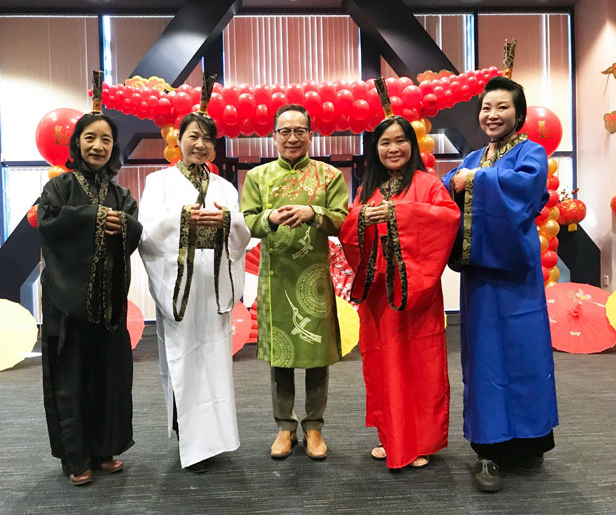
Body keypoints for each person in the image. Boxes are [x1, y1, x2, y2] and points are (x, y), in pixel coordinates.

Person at [442, 76, 558, 493]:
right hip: (481, 277)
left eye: (502, 107)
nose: (492, 114)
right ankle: (487, 450)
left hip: (518, 274)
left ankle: (531, 441)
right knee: (486, 360)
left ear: (519, 114)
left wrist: (474, 181)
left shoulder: (532, 152)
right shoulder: (473, 156)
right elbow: (446, 192)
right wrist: (458, 181)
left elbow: (526, 190)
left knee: (527, 356)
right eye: (486, 107)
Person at [339, 117, 460, 470]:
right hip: (379, 292)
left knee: (419, 365)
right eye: (384, 143)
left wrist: (398, 213)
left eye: (400, 141)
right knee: (382, 365)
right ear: (374, 150)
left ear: (412, 144)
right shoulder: (368, 189)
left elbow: (446, 220)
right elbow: (350, 226)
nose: (393, 149)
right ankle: (390, 436)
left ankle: (420, 440)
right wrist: (362, 218)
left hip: (416, 293)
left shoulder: (428, 183)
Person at [139, 112, 250, 473]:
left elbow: (243, 233)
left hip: (212, 285)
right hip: (180, 289)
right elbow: (148, 233)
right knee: (182, 360)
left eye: (207, 139)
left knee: (215, 361)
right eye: (193, 136)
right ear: (178, 139)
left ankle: (215, 439)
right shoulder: (158, 182)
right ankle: (188, 436)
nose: (199, 145)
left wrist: (226, 222)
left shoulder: (225, 188)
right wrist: (181, 219)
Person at [39, 112, 142, 486]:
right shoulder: (59, 188)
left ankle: (103, 449)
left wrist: (122, 226)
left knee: (108, 376)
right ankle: (76, 456)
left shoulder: (121, 193)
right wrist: (96, 218)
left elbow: (134, 229)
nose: (98, 146)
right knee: (72, 376)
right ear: (77, 143)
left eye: (106, 140)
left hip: (108, 302)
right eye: (90, 138)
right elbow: (49, 225)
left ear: (113, 147)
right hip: (67, 302)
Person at [240, 104, 349, 460]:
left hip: (313, 277)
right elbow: (247, 222)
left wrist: (313, 213)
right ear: (274, 137)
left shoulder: (329, 175)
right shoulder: (257, 178)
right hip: (276, 280)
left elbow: (342, 220)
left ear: (310, 135)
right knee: (281, 359)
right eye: (284, 131)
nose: (292, 137)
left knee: (317, 356)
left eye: (299, 130)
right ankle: (284, 427)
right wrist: (269, 217)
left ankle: (314, 426)